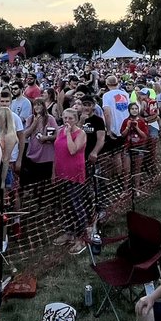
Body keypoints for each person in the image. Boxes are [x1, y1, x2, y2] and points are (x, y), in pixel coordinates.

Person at [52, 107, 89, 254]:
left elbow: (73, 150)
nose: (67, 121)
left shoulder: (80, 133)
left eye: (70, 119)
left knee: (76, 205)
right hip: (61, 172)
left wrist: (68, 135)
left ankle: (82, 237)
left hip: (75, 173)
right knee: (65, 204)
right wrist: (53, 172)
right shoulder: (59, 131)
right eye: (65, 118)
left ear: (76, 119)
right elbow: (57, 152)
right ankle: (68, 231)